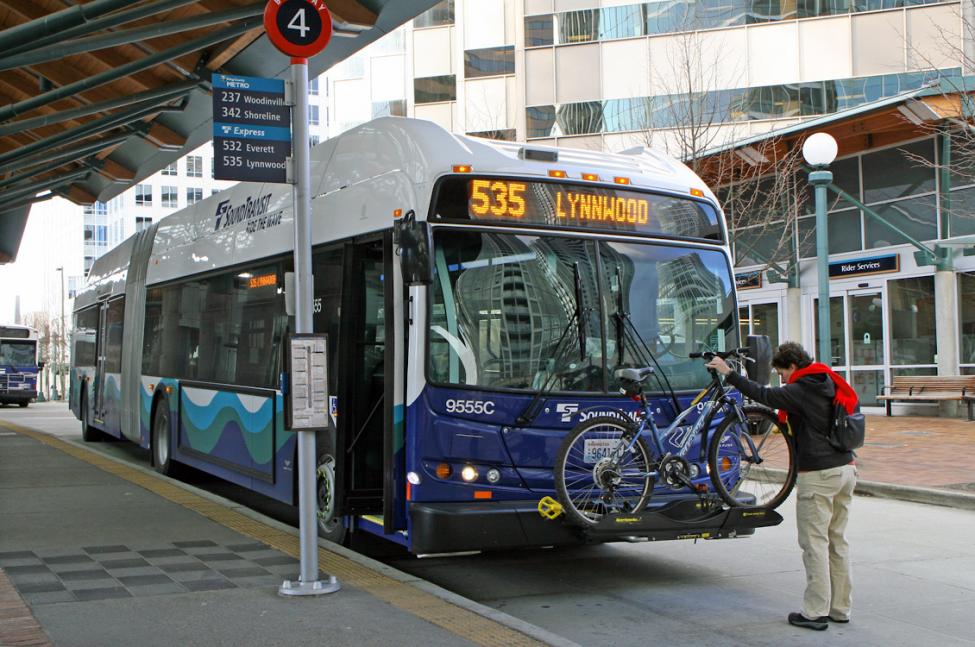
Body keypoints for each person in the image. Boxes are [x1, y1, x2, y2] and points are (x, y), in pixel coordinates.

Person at [706, 342, 858, 632]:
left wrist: (730, 374)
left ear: (792, 366)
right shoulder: (826, 380)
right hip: (846, 468)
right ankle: (840, 608)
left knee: (814, 543)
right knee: (837, 541)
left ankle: (815, 612)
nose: (782, 379)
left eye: (782, 373)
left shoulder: (802, 389)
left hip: (820, 474)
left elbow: (764, 395)